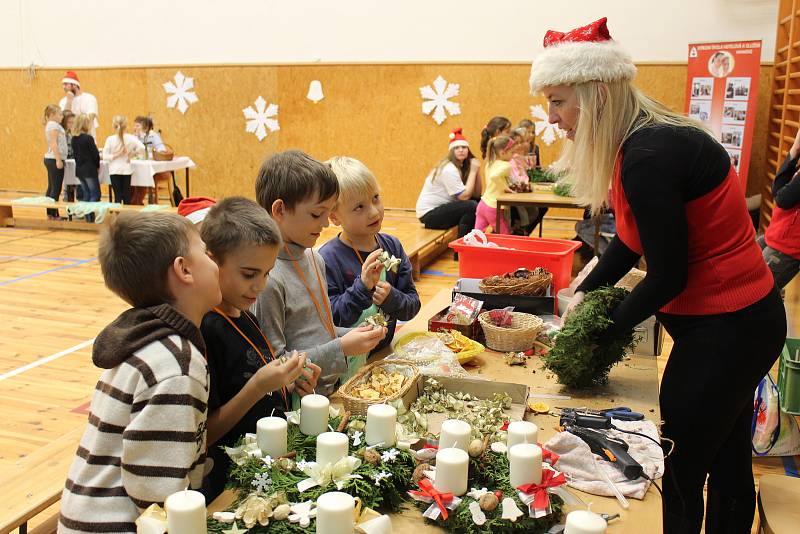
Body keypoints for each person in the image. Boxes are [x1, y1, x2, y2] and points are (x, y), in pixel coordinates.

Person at [531, 17, 784, 533]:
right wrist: (581, 291)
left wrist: (602, 327)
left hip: (733, 327)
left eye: (558, 101)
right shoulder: (638, 146)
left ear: (595, 93)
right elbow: (631, 240)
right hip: (730, 325)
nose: (552, 118)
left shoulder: (650, 155)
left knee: (685, 468)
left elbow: (668, 275)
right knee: (726, 457)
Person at [58, 211, 221, 532]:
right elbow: (156, 492)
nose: (214, 261)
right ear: (184, 269)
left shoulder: (153, 339)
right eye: (205, 251)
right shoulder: (177, 363)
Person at [198, 196, 321, 500]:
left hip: (267, 465)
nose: (260, 286)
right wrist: (258, 386)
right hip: (232, 482)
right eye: (249, 274)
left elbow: (252, 377)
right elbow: (206, 433)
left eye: (266, 273)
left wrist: (288, 383)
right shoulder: (207, 330)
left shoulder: (244, 312)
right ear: (212, 262)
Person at [254, 150, 386, 398]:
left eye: (328, 212)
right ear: (280, 210)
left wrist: (353, 335)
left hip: (329, 391)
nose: (326, 223)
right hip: (295, 407)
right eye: (316, 214)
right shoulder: (267, 279)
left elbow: (319, 331)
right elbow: (275, 366)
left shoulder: (314, 258)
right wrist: (342, 348)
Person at [320, 156, 421, 377]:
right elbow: (331, 321)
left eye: (375, 198)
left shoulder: (392, 246)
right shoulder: (327, 259)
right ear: (334, 216)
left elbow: (413, 305)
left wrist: (392, 298)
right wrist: (362, 288)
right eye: (359, 207)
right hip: (346, 370)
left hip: (384, 355)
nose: (374, 211)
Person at [416, 128, 481, 240]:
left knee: (478, 202)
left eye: (464, 147)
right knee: (470, 206)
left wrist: (477, 171)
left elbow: (476, 193)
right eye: (457, 148)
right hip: (429, 215)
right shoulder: (449, 169)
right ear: (452, 151)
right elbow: (464, 196)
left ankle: (470, 242)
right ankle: (461, 248)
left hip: (442, 209)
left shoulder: (461, 167)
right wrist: (473, 171)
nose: (461, 150)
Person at [758, 126, 800, 289]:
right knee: (743, 266)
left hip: (788, 246)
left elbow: (783, 199)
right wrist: (794, 151)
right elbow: (777, 190)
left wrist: (796, 147)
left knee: (756, 291)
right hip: (776, 235)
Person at [475, 135, 516, 234]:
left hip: (482, 204)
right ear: (503, 152)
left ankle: (470, 249)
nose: (513, 155)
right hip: (493, 207)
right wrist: (505, 188)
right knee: (505, 237)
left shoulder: (490, 163)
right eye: (512, 152)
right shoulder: (506, 165)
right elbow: (494, 176)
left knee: (476, 236)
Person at [103, 116, 145, 205]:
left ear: (113, 126)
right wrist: (132, 154)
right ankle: (127, 216)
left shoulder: (110, 139)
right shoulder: (130, 138)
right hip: (126, 169)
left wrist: (116, 155)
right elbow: (142, 147)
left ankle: (118, 217)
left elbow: (105, 156)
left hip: (114, 170)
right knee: (127, 197)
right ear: (126, 126)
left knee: (117, 196)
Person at [70, 114, 101, 219]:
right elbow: (95, 154)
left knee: (86, 194)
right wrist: (97, 165)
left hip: (79, 170)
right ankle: (90, 217)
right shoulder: (88, 138)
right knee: (95, 194)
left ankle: (88, 218)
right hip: (89, 169)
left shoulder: (74, 139)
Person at [43, 104, 67, 219]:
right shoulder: (53, 125)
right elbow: (54, 143)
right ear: (52, 115)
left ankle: (50, 213)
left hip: (52, 158)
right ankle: (53, 213)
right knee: (56, 188)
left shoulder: (54, 125)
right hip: (54, 159)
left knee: (52, 187)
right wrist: (58, 160)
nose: (62, 116)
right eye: (60, 114)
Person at [59, 71, 99, 138]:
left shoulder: (89, 98)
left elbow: (90, 117)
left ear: (74, 85)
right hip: (69, 140)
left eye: (66, 84)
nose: (63, 87)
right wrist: (69, 101)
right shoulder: (63, 101)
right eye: (63, 84)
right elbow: (63, 120)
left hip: (86, 138)